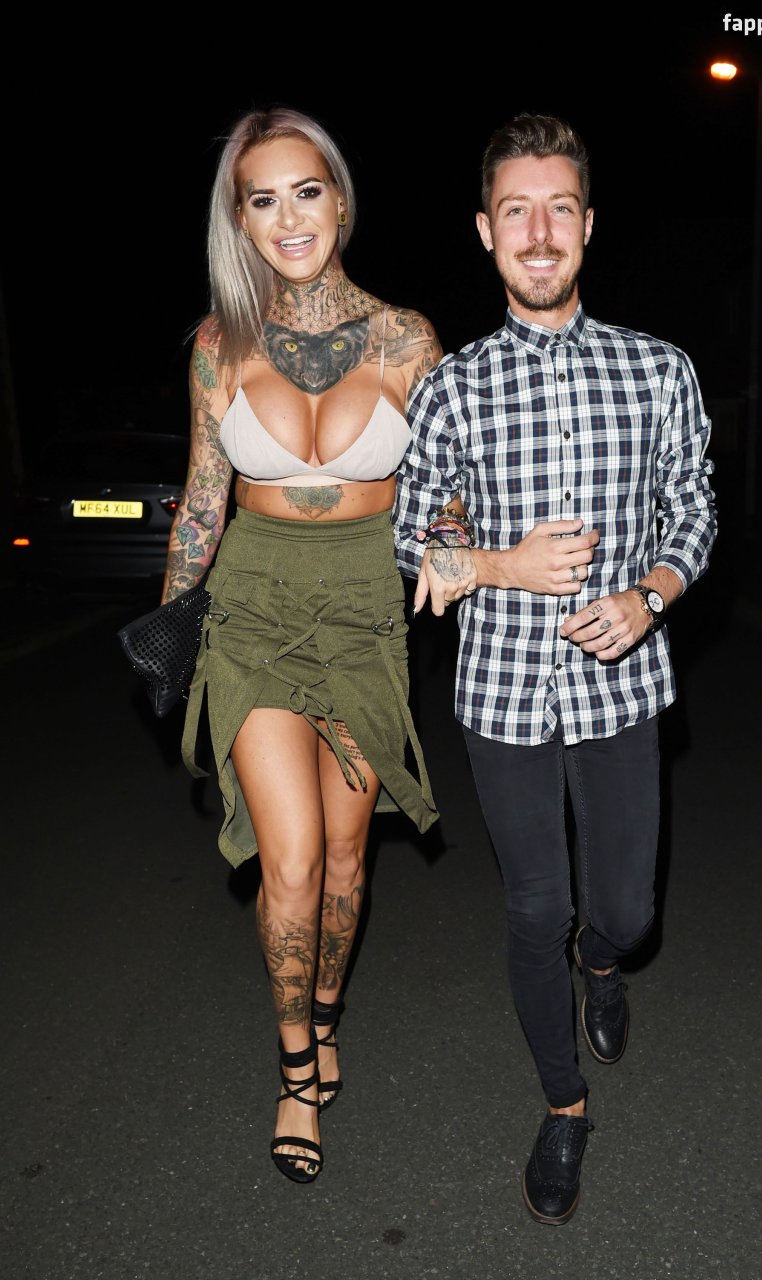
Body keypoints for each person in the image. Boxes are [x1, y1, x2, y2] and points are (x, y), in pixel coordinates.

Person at [392, 113, 717, 1224]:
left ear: (587, 223)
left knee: (623, 909)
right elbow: (417, 537)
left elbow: (692, 507)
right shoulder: (452, 387)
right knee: (536, 908)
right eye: (516, 211)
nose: (539, 232)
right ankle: (563, 1105)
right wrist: (497, 562)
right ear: (486, 231)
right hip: (503, 692)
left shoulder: (657, 369)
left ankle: (605, 965)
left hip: (622, 685)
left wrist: (649, 595)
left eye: (559, 208)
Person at [161, 106, 441, 1185]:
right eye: (261, 198)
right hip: (254, 609)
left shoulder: (408, 339)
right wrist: (172, 630)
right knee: (288, 860)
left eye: (306, 190)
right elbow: (202, 501)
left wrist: (455, 543)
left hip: (366, 608)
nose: (288, 217)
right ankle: (293, 1069)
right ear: (239, 220)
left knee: (344, 860)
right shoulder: (217, 345)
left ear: (341, 199)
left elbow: (447, 487)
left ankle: (326, 1011)